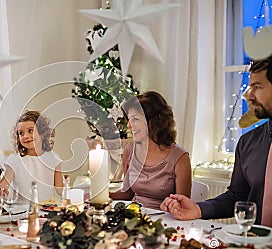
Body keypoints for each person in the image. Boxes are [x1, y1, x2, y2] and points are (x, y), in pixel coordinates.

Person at [160, 56, 272, 225]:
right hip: (257, 247)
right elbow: (238, 196)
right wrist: (198, 209)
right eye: (250, 87)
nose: (249, 96)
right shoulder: (247, 143)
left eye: (257, 87)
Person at [109, 91, 192, 209]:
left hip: (164, 221)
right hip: (133, 217)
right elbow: (127, 194)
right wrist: (102, 196)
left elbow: (182, 206)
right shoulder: (130, 150)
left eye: (135, 119)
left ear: (153, 122)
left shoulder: (180, 158)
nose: (128, 125)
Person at [0, 110, 63, 203]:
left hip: (46, 211)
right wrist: (0, 191)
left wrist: (77, 194)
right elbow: (3, 185)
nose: (25, 136)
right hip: (22, 212)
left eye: (30, 131)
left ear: (42, 134)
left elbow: (60, 189)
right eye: (21, 133)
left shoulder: (53, 159)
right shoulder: (14, 161)